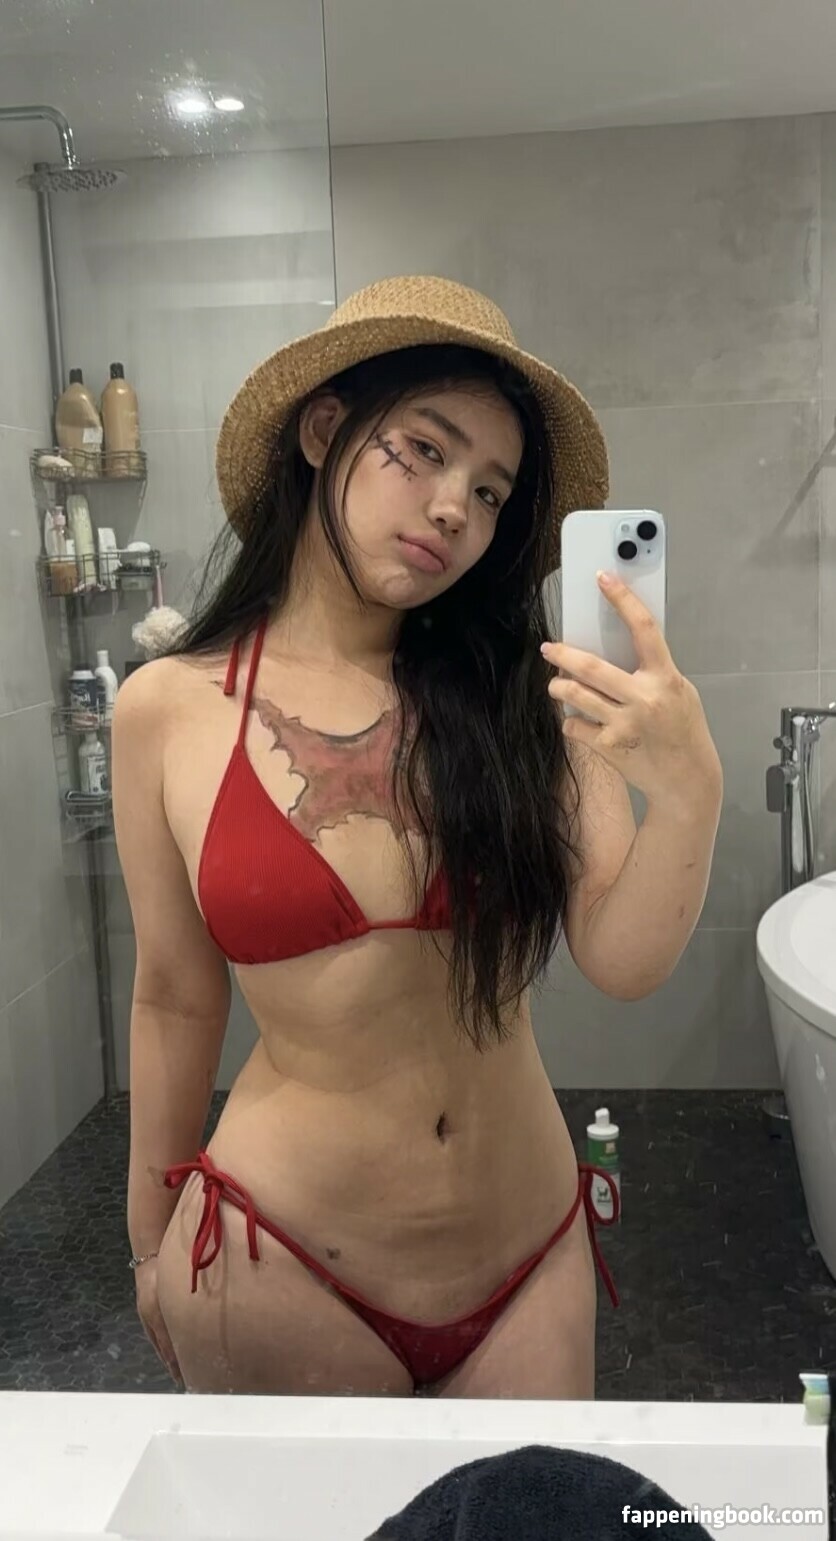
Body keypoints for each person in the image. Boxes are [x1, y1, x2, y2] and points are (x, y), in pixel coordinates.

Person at [113, 275, 723, 1398]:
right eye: (424, 451)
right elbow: (173, 996)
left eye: (489, 491)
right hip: (281, 1258)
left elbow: (623, 959)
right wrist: (150, 1239)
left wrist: (690, 793)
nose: (454, 508)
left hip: (526, 1258)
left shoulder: (522, 693)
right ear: (323, 430)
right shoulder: (168, 706)